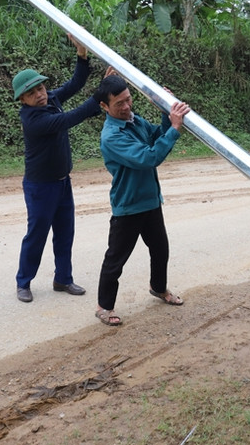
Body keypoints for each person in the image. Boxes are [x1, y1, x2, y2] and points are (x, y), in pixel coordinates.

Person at [13, 34, 110, 303]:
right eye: (31, 93)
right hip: (40, 187)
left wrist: (82, 55)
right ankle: (23, 282)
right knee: (37, 235)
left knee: (65, 232)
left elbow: (76, 83)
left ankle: (63, 279)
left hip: (62, 181)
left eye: (40, 88)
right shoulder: (32, 119)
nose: (39, 95)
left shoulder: (51, 99)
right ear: (22, 99)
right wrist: (102, 92)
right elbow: (70, 118)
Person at [93, 75, 190, 326]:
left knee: (160, 249)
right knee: (116, 258)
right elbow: (149, 157)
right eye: (119, 104)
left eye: (128, 100)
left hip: (150, 200)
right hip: (128, 206)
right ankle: (104, 307)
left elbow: (157, 135)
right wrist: (175, 128)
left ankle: (158, 288)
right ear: (105, 107)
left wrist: (163, 111)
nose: (126, 107)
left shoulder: (134, 121)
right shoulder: (111, 137)